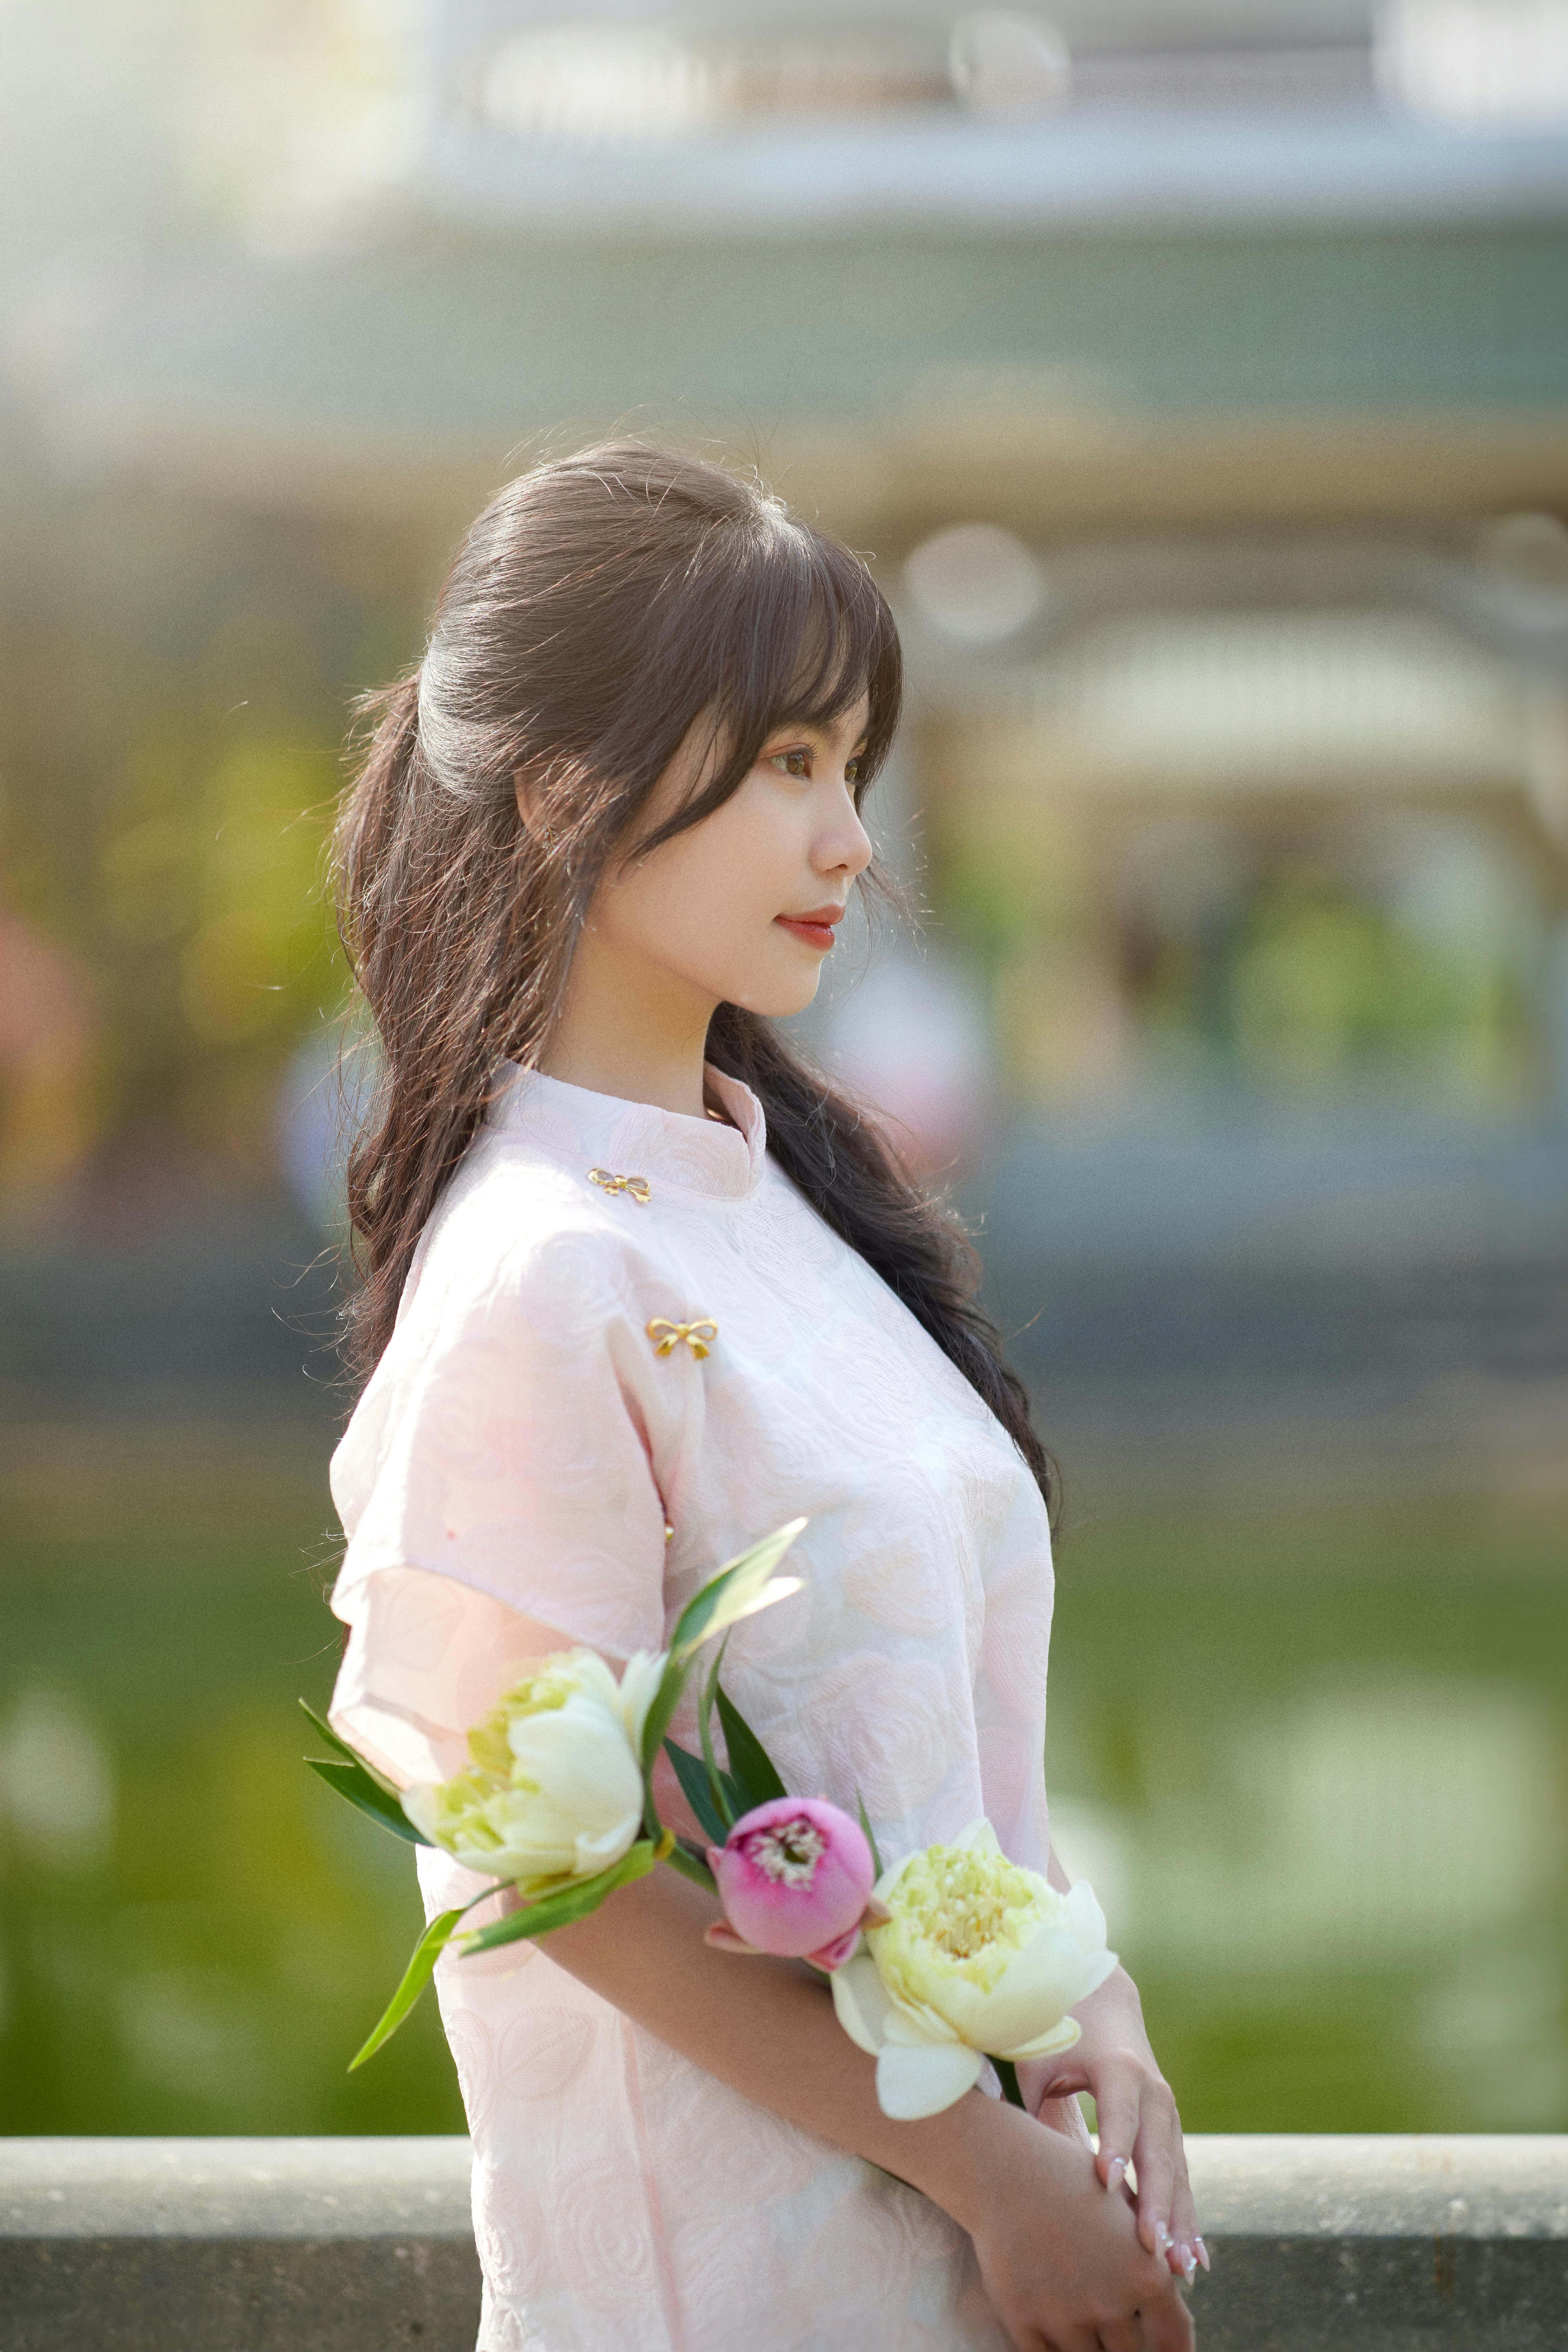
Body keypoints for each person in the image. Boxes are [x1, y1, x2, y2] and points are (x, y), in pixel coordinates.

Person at [323, 443, 1200, 2352]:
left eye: (848, 768)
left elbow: (934, 1737)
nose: (848, 842)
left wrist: (1088, 2014)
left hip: (961, 2253)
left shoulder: (788, 1201)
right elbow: (528, 1864)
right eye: (788, 762)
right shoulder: (543, 1267)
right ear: (566, 785)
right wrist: (979, 2174)